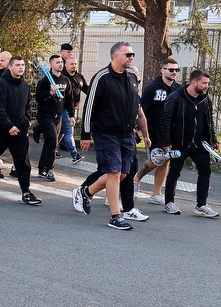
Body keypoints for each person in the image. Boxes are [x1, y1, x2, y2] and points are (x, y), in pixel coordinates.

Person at [73, 42, 150, 231]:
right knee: (114, 173)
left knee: (122, 174)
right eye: (128, 54)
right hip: (106, 133)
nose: (131, 57)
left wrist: (143, 132)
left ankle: (86, 192)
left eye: (132, 54)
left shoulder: (132, 75)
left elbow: (135, 106)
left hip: (127, 134)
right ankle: (115, 216)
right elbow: (89, 107)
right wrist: (85, 134)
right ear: (116, 56)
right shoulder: (102, 77)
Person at [0, 56, 41, 206]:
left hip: (19, 131)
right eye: (18, 65)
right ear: (10, 67)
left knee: (23, 161)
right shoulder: (0, 85)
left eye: (23, 65)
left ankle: (26, 192)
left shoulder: (25, 86)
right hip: (0, 131)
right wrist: (9, 126)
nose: (21, 68)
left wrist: (26, 121)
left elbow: (28, 106)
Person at [160, 70, 218, 217]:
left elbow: (209, 119)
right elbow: (166, 120)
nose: (206, 86)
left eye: (207, 83)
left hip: (199, 144)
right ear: (194, 83)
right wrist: (166, 142)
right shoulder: (176, 97)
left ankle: (201, 205)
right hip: (179, 143)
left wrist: (214, 139)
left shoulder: (205, 99)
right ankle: (169, 202)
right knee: (174, 171)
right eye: (204, 83)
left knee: (205, 171)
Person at [133, 58, 180, 204]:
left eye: (176, 70)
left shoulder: (178, 89)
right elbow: (142, 109)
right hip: (154, 129)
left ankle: (156, 193)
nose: (174, 73)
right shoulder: (152, 87)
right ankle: (136, 179)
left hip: (170, 131)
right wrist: (139, 129)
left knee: (165, 161)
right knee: (158, 159)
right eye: (170, 69)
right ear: (162, 70)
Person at [34, 55, 74, 181]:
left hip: (58, 116)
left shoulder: (65, 80)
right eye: (57, 62)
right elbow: (39, 99)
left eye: (61, 62)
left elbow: (69, 99)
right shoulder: (45, 81)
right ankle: (50, 168)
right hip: (45, 115)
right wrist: (50, 93)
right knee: (52, 139)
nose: (60, 64)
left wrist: (71, 115)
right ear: (51, 65)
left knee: (50, 142)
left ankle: (42, 168)